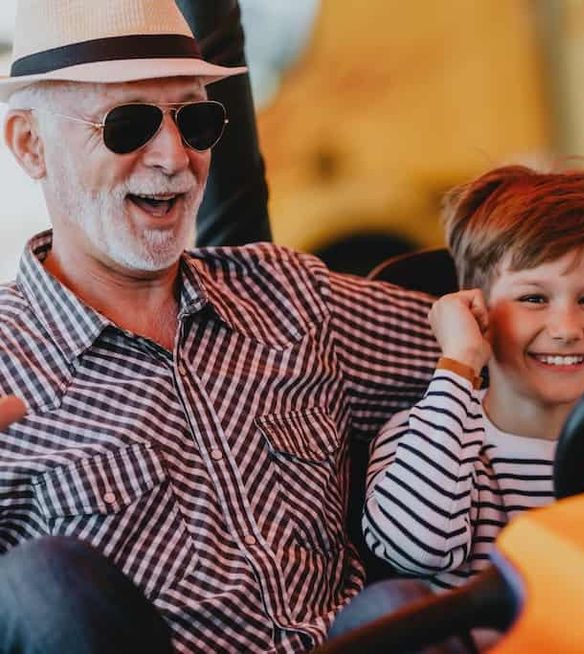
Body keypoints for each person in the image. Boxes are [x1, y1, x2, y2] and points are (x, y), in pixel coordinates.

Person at [0, 0, 440, 651]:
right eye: (129, 124)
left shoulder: (290, 295)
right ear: (31, 144)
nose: (175, 157)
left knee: (402, 606)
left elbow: (512, 342)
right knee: (41, 582)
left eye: (196, 119)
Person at [361, 165, 584, 590]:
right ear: (477, 313)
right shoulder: (423, 433)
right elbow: (416, 549)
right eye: (533, 298)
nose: (566, 328)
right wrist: (458, 362)